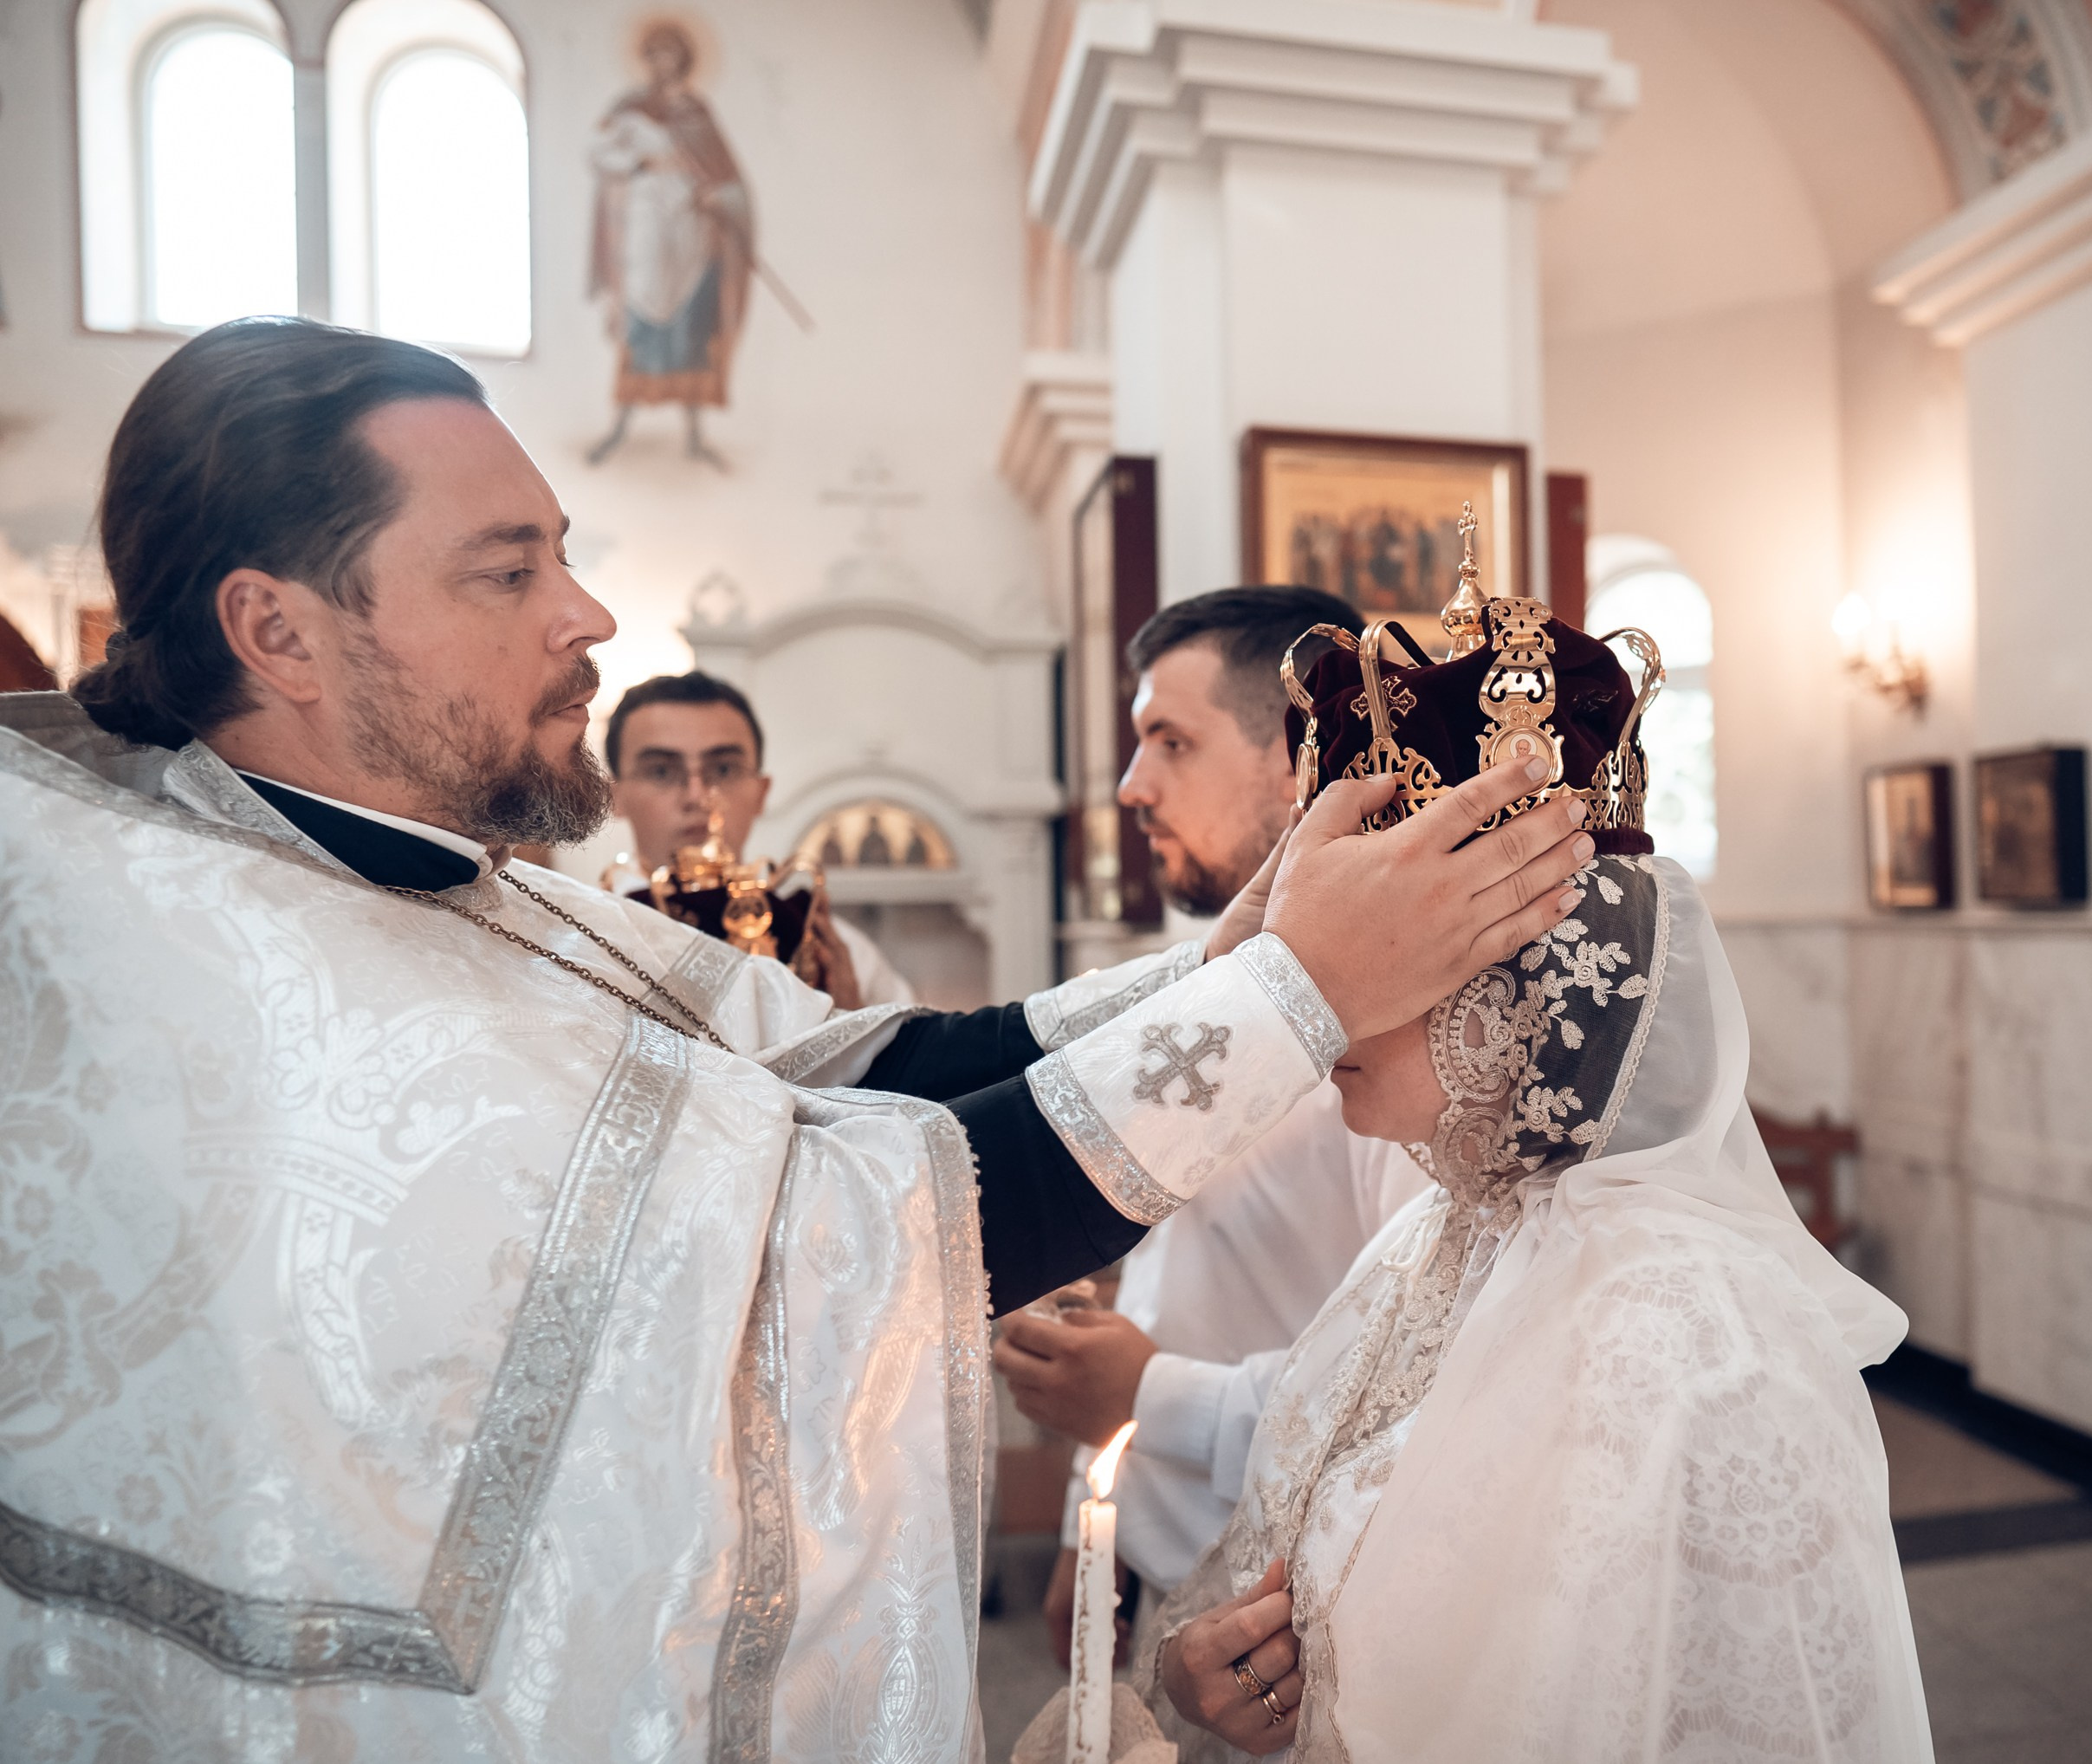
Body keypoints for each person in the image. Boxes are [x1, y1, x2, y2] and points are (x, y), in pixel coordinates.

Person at [0, 317, 1592, 1761]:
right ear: (276, 631)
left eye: (563, 551)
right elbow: (825, 1241)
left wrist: (1242, 956)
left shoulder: (411, 879)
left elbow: (862, 1071)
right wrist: (1297, 991)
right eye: (507, 571)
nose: (589, 611)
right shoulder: (254, 973)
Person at [1143, 593, 1932, 1761]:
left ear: (1510, 977)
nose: (1314, 993)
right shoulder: (1435, 1240)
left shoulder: (1703, 1346)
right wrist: (1221, 1673)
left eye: (1375, 945)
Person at [994, 589, 1426, 1659]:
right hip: (1165, 1541)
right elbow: (1165, 1263)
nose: (1132, 787)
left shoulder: (1409, 1027)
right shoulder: (1223, 986)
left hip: (1304, 1614)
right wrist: (1095, 1523)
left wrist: (1146, 1393)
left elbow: (1423, 1375)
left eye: (1169, 741)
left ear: (1302, 754)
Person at [604, 667, 915, 1009]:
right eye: (661, 771)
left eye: (723, 769)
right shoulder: (585, 936)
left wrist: (855, 1029)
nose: (697, 795)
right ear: (615, 797)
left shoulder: (837, 951)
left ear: (761, 792)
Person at [587, 22, 751, 467]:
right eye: (655, 55)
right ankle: (620, 425)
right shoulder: (630, 108)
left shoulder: (697, 111)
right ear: (646, 60)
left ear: (684, 60)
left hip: (691, 236)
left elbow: (726, 177)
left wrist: (717, 195)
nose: (663, 63)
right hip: (645, 229)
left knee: (691, 331)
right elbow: (600, 154)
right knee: (641, 328)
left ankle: (695, 435)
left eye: (671, 55)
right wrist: (640, 162)